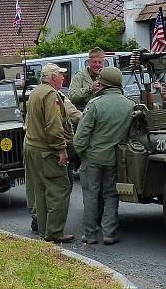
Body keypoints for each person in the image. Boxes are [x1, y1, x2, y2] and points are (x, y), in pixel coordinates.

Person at [73, 67, 135, 245]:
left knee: (91, 195)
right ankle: (109, 233)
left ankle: (90, 234)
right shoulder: (129, 104)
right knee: (111, 194)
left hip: (92, 158)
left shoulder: (95, 104)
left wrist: (83, 153)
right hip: (115, 158)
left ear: (103, 83)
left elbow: (80, 137)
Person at [24, 63, 74, 243]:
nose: (63, 78)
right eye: (61, 75)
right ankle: (54, 232)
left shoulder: (36, 91)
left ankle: (45, 230)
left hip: (33, 146)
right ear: (53, 77)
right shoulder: (51, 94)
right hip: (47, 149)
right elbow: (53, 126)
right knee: (59, 188)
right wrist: (61, 149)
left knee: (41, 189)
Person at [68, 47, 106, 111]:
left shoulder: (107, 76)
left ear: (103, 63)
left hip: (103, 112)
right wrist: (89, 89)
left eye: (100, 62)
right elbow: (72, 97)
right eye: (94, 62)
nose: (97, 65)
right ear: (89, 62)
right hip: (84, 113)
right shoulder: (79, 76)